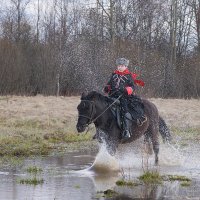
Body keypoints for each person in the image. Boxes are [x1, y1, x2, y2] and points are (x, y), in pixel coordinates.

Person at [104, 58, 147, 142]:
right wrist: (107, 88)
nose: (120, 67)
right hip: (112, 95)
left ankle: (126, 130)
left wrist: (126, 90)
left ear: (126, 66)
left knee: (124, 110)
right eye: (119, 66)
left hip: (124, 97)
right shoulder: (114, 74)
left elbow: (132, 87)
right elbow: (109, 84)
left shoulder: (128, 76)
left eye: (122, 66)